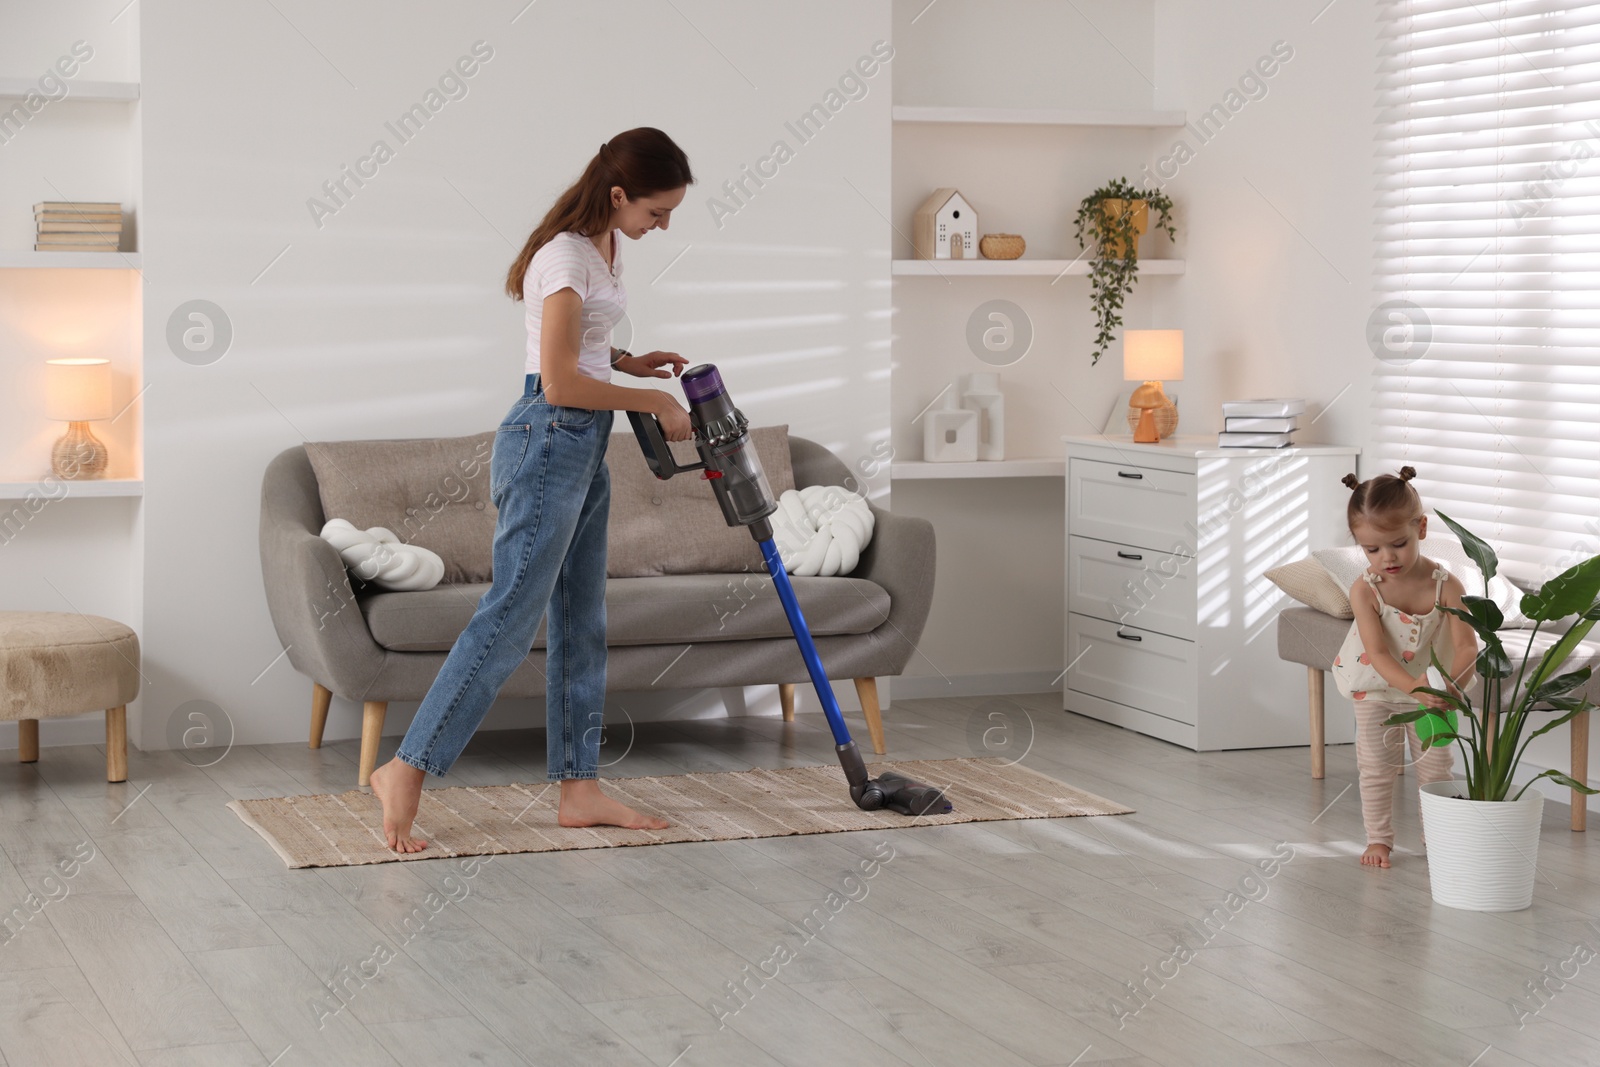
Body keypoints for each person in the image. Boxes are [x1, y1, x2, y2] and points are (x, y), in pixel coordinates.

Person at [369, 128, 696, 852]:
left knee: (582, 618)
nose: (661, 225)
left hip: (581, 445)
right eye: (656, 211)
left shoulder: (603, 248)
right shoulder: (566, 256)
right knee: (512, 614)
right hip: (548, 436)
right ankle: (406, 766)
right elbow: (557, 381)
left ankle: (579, 790)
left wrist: (628, 360)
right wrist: (652, 400)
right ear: (619, 194)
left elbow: (579, 347)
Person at [1330, 467, 1478, 868]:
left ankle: (1439, 839)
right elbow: (1378, 654)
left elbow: (1467, 646)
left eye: (1397, 544)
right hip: (1376, 687)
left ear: (1422, 528)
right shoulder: (1366, 589)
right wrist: (1417, 690)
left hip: (1435, 691)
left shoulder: (1445, 584)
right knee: (1376, 768)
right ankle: (1379, 839)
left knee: (1437, 768)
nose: (1386, 558)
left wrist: (1446, 689)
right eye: (1372, 550)